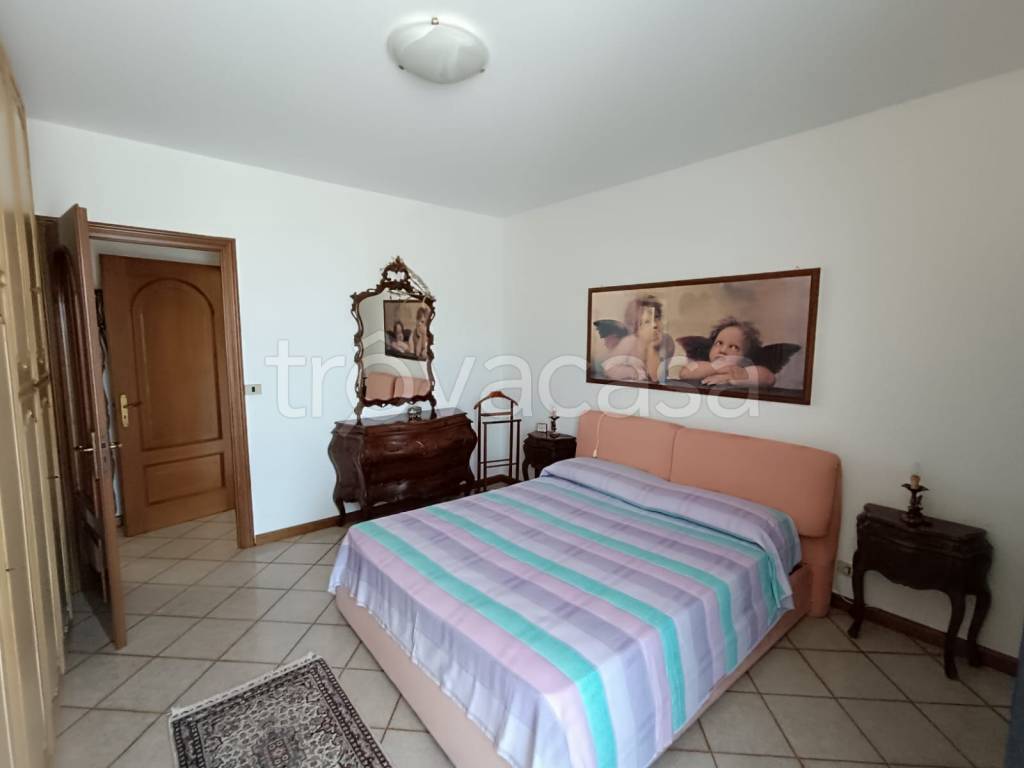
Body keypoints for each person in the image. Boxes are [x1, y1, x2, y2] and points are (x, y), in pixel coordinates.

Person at [673, 316, 776, 387]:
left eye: (734, 347)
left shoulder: (746, 369)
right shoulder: (705, 366)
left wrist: (733, 377)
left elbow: (769, 378)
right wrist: (717, 368)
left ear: (746, 357)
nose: (723, 350)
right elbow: (685, 373)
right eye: (719, 343)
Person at [601, 295, 674, 382]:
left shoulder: (667, 342)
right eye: (647, 322)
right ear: (636, 329)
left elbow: (656, 378)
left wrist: (651, 347)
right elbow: (608, 368)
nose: (654, 325)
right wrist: (635, 373)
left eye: (657, 318)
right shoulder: (629, 342)